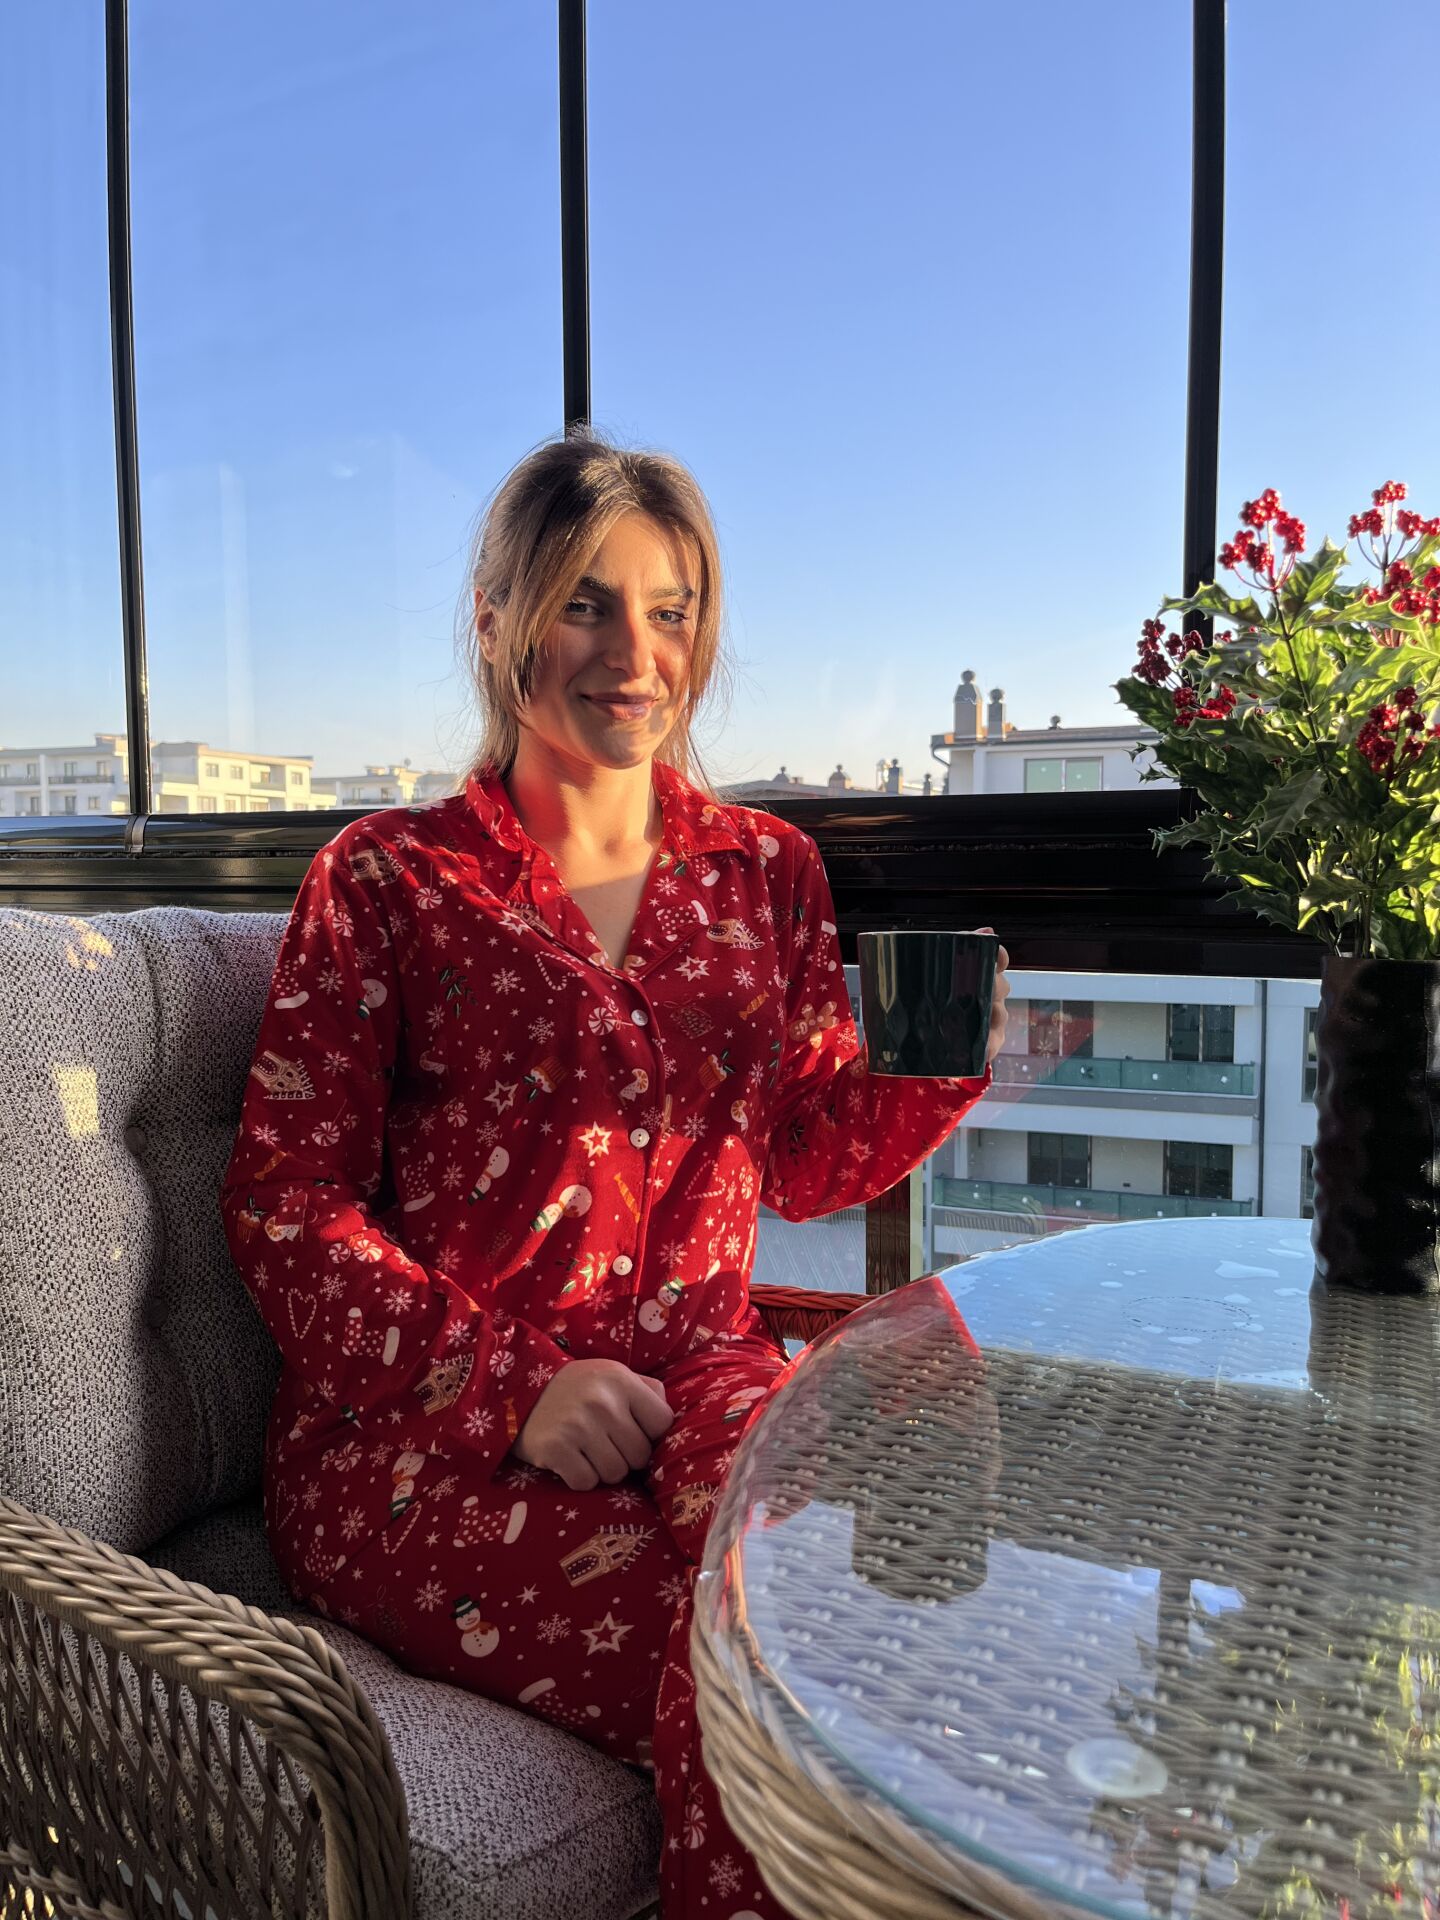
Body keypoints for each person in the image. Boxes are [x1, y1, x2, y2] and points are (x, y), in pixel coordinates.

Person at [220, 434, 1011, 1918]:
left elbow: (802, 1159)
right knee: (737, 1661)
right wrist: (513, 1388)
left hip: (706, 1378)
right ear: (497, 621)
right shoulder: (388, 881)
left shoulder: (767, 874)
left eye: (671, 609)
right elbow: (285, 1210)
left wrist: (933, 1064)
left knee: (837, 1627)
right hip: (421, 1443)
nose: (636, 655)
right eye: (586, 604)